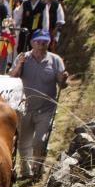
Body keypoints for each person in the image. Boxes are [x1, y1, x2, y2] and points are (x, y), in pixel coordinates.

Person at [10, 31, 68, 178]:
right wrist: (18, 66)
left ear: (49, 44)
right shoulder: (23, 57)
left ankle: (38, 168)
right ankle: (26, 170)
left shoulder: (55, 60)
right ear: (32, 43)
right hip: (25, 107)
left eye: (45, 43)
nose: (41, 46)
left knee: (40, 142)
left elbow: (62, 85)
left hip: (46, 108)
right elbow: (12, 77)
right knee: (24, 142)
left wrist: (63, 79)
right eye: (38, 42)